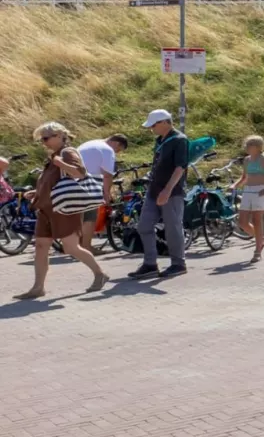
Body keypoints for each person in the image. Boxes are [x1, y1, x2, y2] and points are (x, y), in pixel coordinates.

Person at [14, 123, 108, 299]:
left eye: (46, 138)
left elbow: (80, 174)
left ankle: (99, 273)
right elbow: (53, 181)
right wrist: (38, 192)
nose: (43, 142)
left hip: (63, 209)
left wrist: (60, 163)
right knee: (41, 247)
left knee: (71, 247)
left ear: (59, 136)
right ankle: (38, 287)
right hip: (46, 209)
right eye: (41, 139)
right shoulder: (54, 156)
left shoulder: (67, 153)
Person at [130, 109, 190, 279]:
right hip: (154, 190)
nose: (152, 129)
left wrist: (167, 190)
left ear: (165, 122)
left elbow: (180, 167)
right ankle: (150, 264)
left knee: (173, 228)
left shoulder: (180, 140)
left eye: (153, 125)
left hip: (171, 192)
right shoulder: (160, 140)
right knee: (144, 226)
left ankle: (178, 264)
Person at [232, 136, 264, 263]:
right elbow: (244, 177)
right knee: (242, 222)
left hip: (260, 190)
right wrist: (234, 186)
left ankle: (257, 251)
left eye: (249, 145)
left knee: (257, 220)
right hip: (248, 190)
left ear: (257, 147)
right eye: (246, 145)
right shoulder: (246, 160)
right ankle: (261, 239)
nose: (247, 147)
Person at [78, 133, 128, 248]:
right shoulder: (107, 150)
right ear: (117, 143)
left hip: (72, 182)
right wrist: (106, 193)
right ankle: (86, 247)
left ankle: (76, 246)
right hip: (89, 184)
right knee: (90, 218)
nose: (116, 153)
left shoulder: (89, 143)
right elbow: (107, 175)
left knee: (78, 217)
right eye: (118, 150)